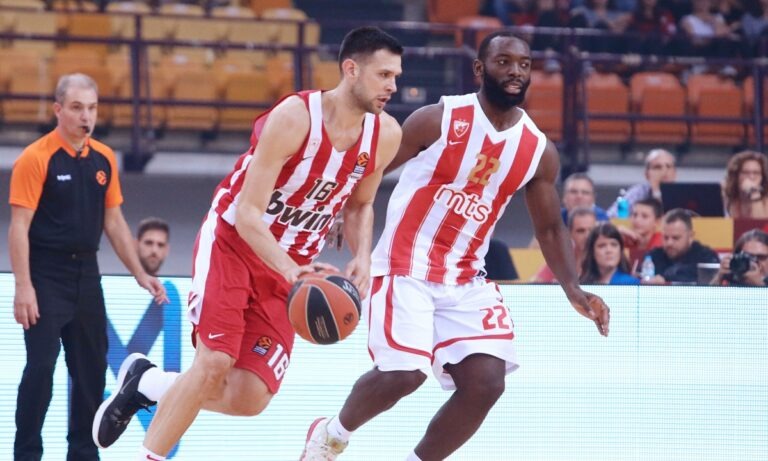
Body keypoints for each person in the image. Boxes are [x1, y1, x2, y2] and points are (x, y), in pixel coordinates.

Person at [90, 26, 404, 460]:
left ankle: (148, 383)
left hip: (294, 265)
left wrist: (363, 256)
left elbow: (360, 205)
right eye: (384, 75)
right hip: (234, 244)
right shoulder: (295, 118)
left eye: (396, 76)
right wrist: (293, 272)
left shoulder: (385, 135)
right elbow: (248, 214)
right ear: (351, 70)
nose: (393, 86)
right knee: (214, 363)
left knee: (250, 396)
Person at [300, 31, 610, 461]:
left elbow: (551, 229)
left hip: (465, 277)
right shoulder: (439, 118)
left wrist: (573, 288)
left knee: (487, 382)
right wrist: (340, 207)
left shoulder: (538, 149)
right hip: (405, 265)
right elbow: (374, 166)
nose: (516, 72)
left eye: (524, 64)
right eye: (504, 62)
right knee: (404, 374)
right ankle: (331, 436)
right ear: (480, 69)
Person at [8, 73, 166, 461]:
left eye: (92, 108)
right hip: (45, 274)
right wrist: (23, 286)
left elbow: (114, 222)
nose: (86, 116)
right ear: (58, 110)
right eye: (77, 108)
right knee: (40, 369)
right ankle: (26, 453)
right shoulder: (36, 158)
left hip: (87, 274)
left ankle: (83, 453)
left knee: (92, 372)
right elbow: (18, 227)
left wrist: (140, 272)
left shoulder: (104, 158)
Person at [642, 208, 720, 285]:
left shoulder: (706, 256)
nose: (669, 243)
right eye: (666, 238)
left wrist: (665, 279)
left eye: (675, 238)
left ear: (690, 236)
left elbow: (709, 277)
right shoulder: (654, 256)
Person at [532, 206, 597, 282]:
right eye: (581, 231)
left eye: (591, 230)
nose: (587, 236)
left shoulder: (605, 257)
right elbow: (536, 282)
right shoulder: (562, 257)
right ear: (570, 233)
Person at [607, 148, 676, 218]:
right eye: (657, 167)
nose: (664, 171)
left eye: (668, 166)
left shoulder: (681, 193)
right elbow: (612, 216)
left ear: (674, 173)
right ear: (646, 174)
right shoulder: (638, 192)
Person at [617, 197, 663, 272]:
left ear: (657, 222)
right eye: (635, 215)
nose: (637, 220)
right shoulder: (629, 238)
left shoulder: (661, 242)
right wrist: (618, 232)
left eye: (644, 216)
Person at [722, 150, 768, 219]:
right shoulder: (727, 194)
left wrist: (754, 193)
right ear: (736, 175)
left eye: (756, 173)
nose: (751, 177)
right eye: (745, 172)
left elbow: (760, 224)